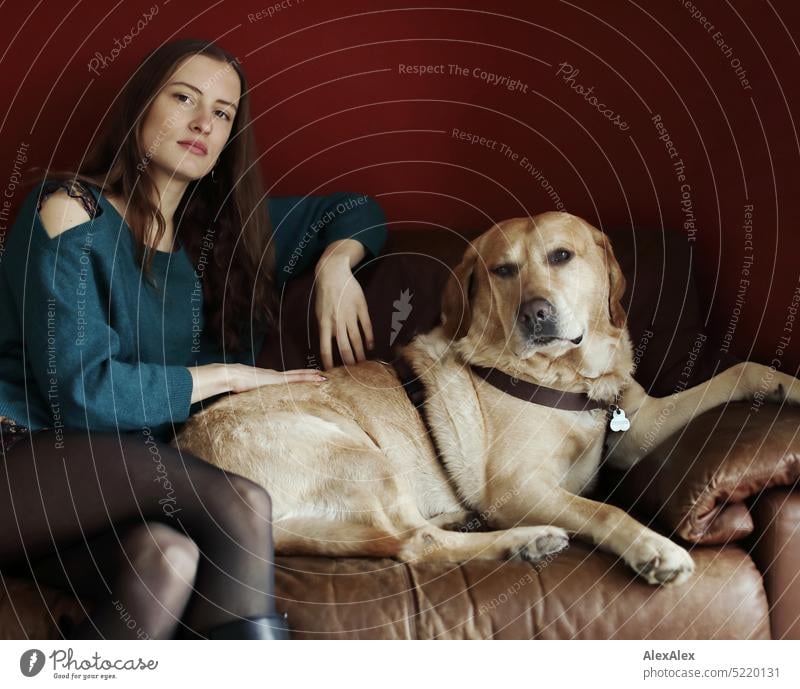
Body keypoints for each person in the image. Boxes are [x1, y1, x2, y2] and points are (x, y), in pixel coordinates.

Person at [0, 38, 387, 640]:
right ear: (140, 109)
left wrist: (339, 262)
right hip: (20, 460)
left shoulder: (220, 244)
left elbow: (356, 209)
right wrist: (230, 377)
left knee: (168, 560)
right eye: (184, 98)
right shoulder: (69, 210)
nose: (204, 121)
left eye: (224, 113)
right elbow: (80, 394)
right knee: (242, 504)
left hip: (109, 496)